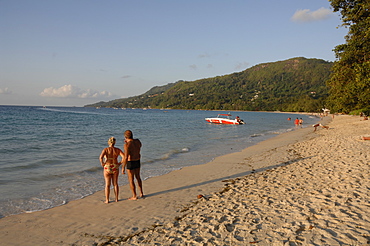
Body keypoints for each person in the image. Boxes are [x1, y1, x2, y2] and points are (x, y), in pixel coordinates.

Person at [99, 137, 125, 203]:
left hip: (107, 166)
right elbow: (124, 157)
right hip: (115, 166)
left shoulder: (106, 149)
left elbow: (101, 157)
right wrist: (120, 163)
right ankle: (116, 198)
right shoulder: (117, 150)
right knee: (115, 184)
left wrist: (102, 163)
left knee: (107, 185)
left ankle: (107, 200)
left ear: (108, 142)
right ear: (114, 142)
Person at [122, 130, 144, 200]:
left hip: (130, 162)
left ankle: (134, 195)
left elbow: (126, 157)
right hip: (137, 160)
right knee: (138, 177)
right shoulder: (137, 141)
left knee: (131, 179)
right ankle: (141, 193)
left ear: (125, 137)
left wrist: (123, 167)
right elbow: (140, 146)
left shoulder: (127, 145)